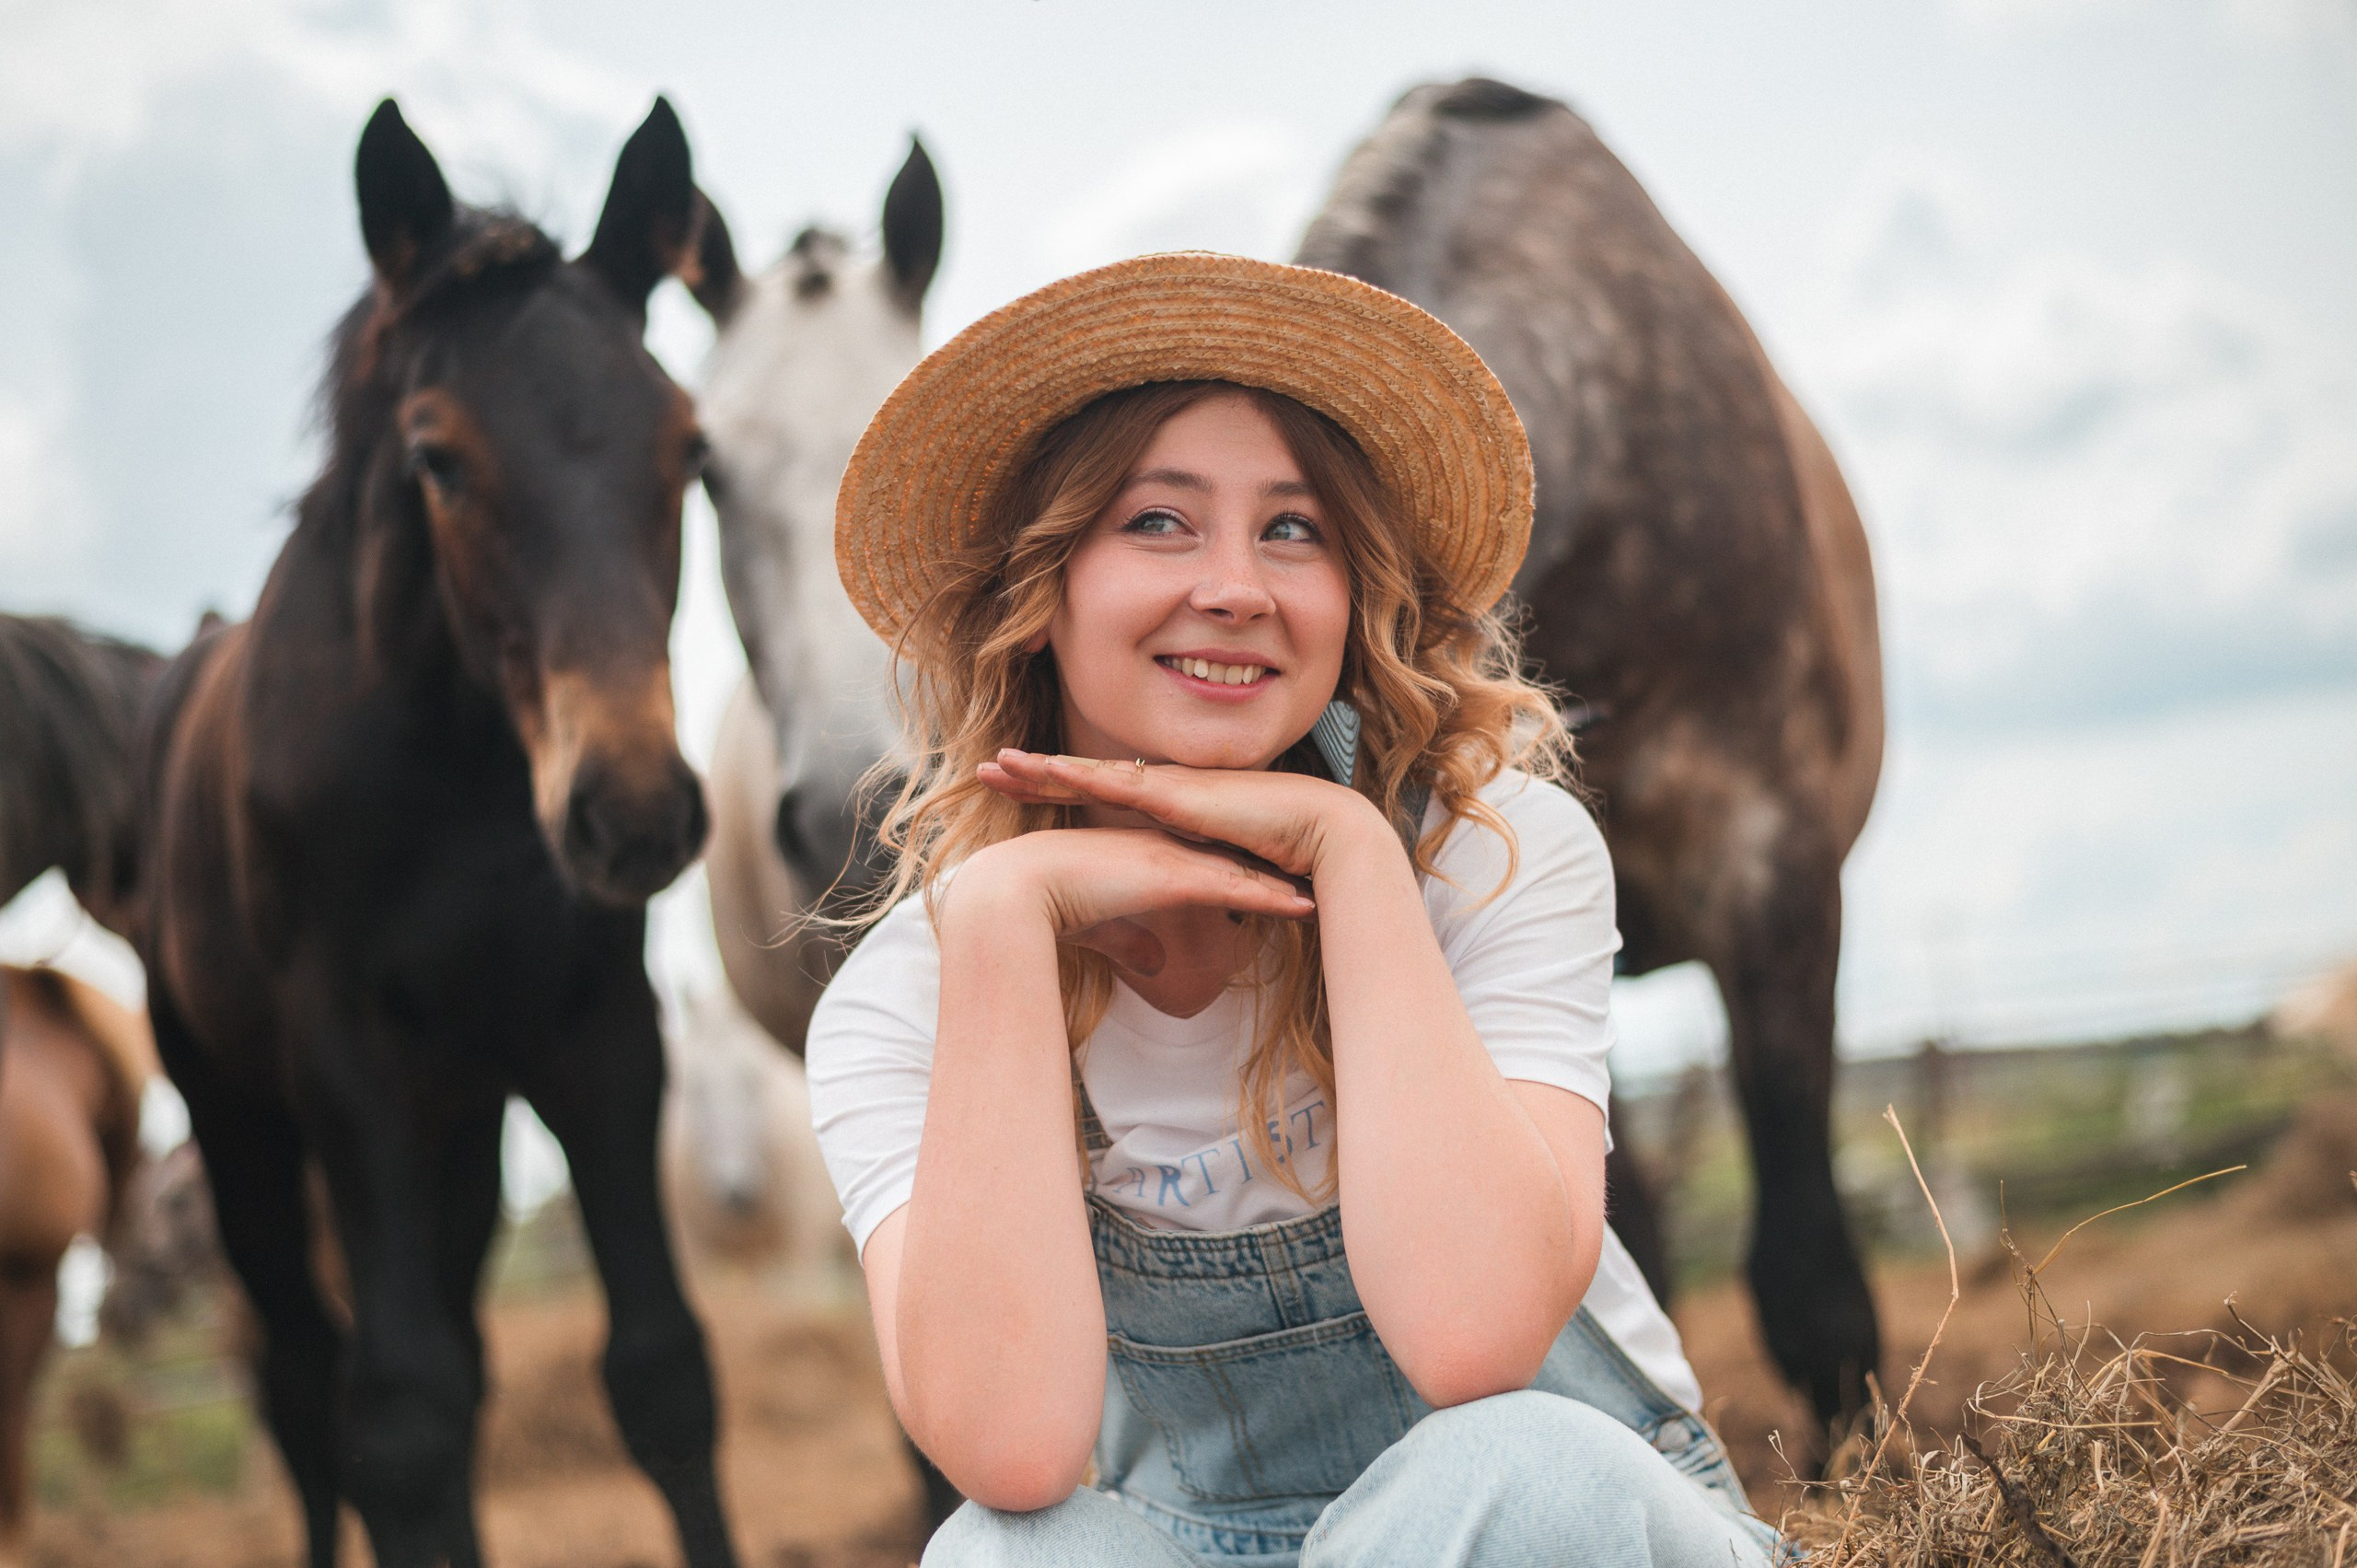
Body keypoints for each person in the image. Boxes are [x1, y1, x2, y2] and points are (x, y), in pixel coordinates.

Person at [806, 253, 1786, 1567]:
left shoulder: (1492, 858)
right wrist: (997, 927)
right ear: (1039, 593)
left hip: (1543, 1530)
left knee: (1519, 1470)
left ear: (1351, 593)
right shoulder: (907, 990)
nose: (1238, 587)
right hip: (1195, 1540)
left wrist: (1351, 855)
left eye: (1293, 529)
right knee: (998, 1556)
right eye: (1159, 522)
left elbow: (1474, 1337)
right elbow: (1013, 1450)